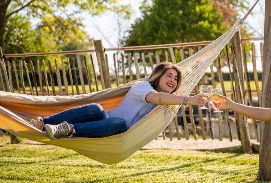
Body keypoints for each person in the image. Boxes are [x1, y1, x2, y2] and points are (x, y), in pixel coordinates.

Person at [29, 62, 208, 140]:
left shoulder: (168, 105)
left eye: (176, 79)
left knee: (120, 123)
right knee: (97, 108)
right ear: (158, 76)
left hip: (120, 133)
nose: (173, 81)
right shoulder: (143, 87)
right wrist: (188, 99)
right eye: (169, 75)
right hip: (104, 122)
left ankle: (69, 129)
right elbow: (157, 97)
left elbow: (163, 101)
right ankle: (43, 122)